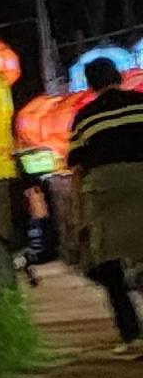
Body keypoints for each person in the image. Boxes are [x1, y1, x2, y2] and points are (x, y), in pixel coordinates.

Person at [66, 57, 143, 349]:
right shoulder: (140, 102)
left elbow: (78, 169)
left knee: (106, 261)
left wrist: (79, 217)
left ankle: (131, 334)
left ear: (90, 85)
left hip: (106, 188)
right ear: (120, 76)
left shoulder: (84, 117)